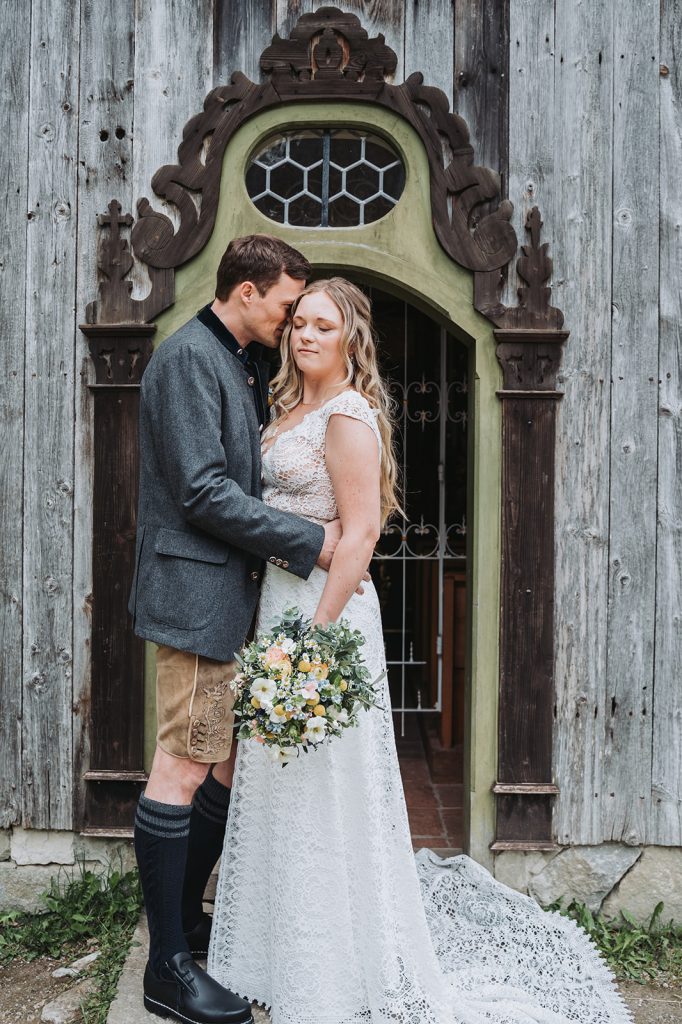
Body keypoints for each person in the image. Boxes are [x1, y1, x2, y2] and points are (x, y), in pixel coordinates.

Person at [207, 278, 633, 1024]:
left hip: (323, 617)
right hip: (277, 607)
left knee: (329, 784)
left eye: (323, 326)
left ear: (351, 339)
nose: (305, 336)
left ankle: (336, 965)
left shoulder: (348, 415)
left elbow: (363, 534)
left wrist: (313, 640)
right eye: (299, 323)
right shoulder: (286, 408)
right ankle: (276, 949)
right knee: (280, 782)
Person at [128, 236, 348, 1024]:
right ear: (248, 292)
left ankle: (185, 927)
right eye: (287, 306)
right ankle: (166, 971)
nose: (292, 322)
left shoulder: (242, 360)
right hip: (195, 598)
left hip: (231, 597)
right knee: (183, 766)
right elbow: (201, 491)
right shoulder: (190, 359)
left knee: (219, 762)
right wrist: (311, 540)